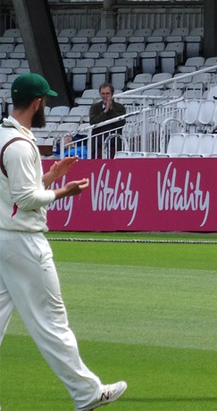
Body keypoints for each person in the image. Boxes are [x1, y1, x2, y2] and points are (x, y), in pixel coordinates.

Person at [0, 73, 127, 410]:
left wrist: (51, 176)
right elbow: (25, 199)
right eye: (45, 100)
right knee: (52, 321)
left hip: (5, 239)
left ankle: (86, 391)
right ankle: (87, 392)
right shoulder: (19, 145)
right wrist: (63, 191)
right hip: (23, 242)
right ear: (37, 102)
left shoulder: (5, 137)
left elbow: (15, 192)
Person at [88, 82, 126, 159]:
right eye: (103, 94)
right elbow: (93, 122)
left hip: (114, 143)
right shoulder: (94, 107)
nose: (105, 96)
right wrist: (105, 111)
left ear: (112, 94)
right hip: (98, 144)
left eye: (107, 93)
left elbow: (121, 122)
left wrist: (111, 109)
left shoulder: (120, 107)